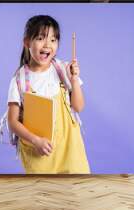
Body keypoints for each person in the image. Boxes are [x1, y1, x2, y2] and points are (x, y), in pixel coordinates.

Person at [7, 15, 90, 174]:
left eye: (53, 40)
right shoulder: (19, 79)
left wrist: (74, 79)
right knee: (44, 195)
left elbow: (78, 107)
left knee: (76, 192)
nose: (47, 45)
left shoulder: (63, 69)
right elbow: (12, 122)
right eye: (40, 38)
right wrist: (35, 140)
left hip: (70, 148)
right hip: (39, 151)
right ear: (27, 42)